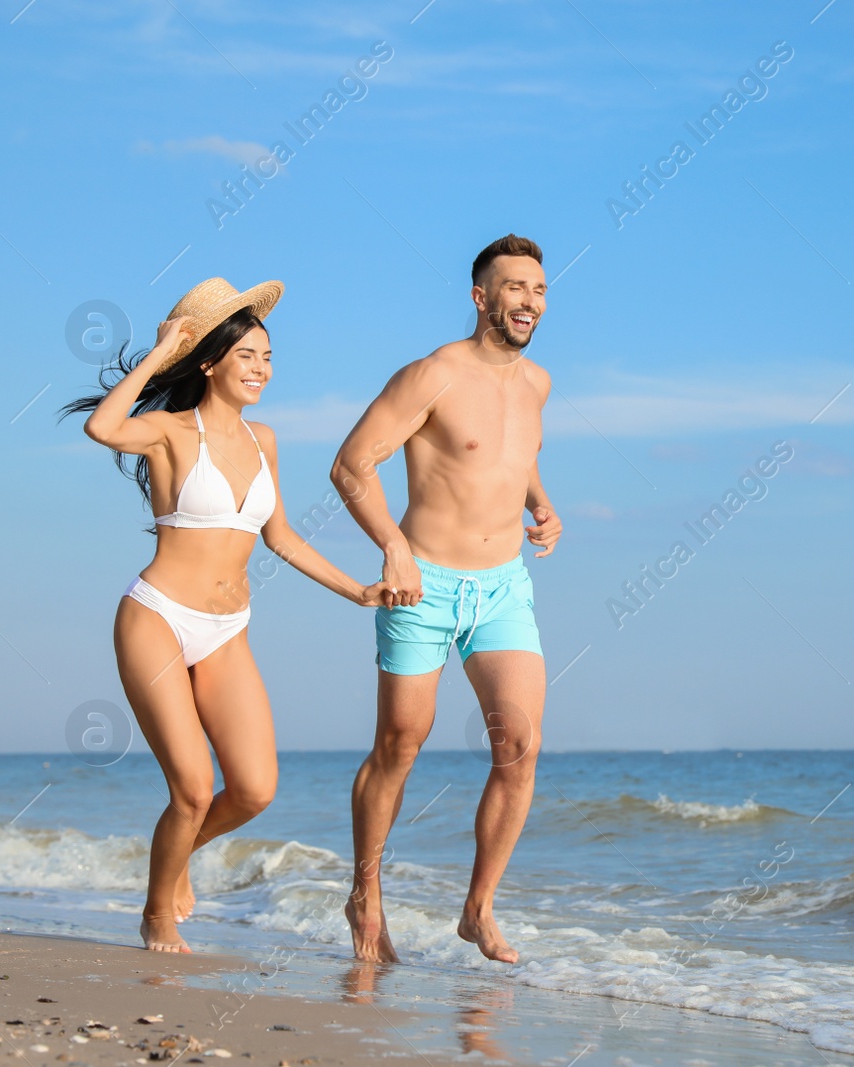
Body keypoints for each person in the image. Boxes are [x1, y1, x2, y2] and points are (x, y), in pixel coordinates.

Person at [62, 277, 390, 953]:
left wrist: (357, 589)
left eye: (268, 358)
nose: (261, 370)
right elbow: (101, 426)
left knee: (254, 788)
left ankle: (174, 856)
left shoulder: (264, 438)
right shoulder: (167, 432)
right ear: (209, 361)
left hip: (227, 629)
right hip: (155, 616)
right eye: (247, 356)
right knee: (191, 786)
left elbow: (284, 538)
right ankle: (157, 912)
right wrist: (161, 353)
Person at [333, 234, 562, 964]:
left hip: (502, 587)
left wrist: (542, 503)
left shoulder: (539, 384)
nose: (529, 301)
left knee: (518, 747)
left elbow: (510, 454)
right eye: (514, 287)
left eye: (539, 289)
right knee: (400, 743)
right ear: (480, 296)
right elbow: (350, 464)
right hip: (423, 582)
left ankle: (478, 908)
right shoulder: (432, 374)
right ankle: (366, 894)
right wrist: (394, 548)